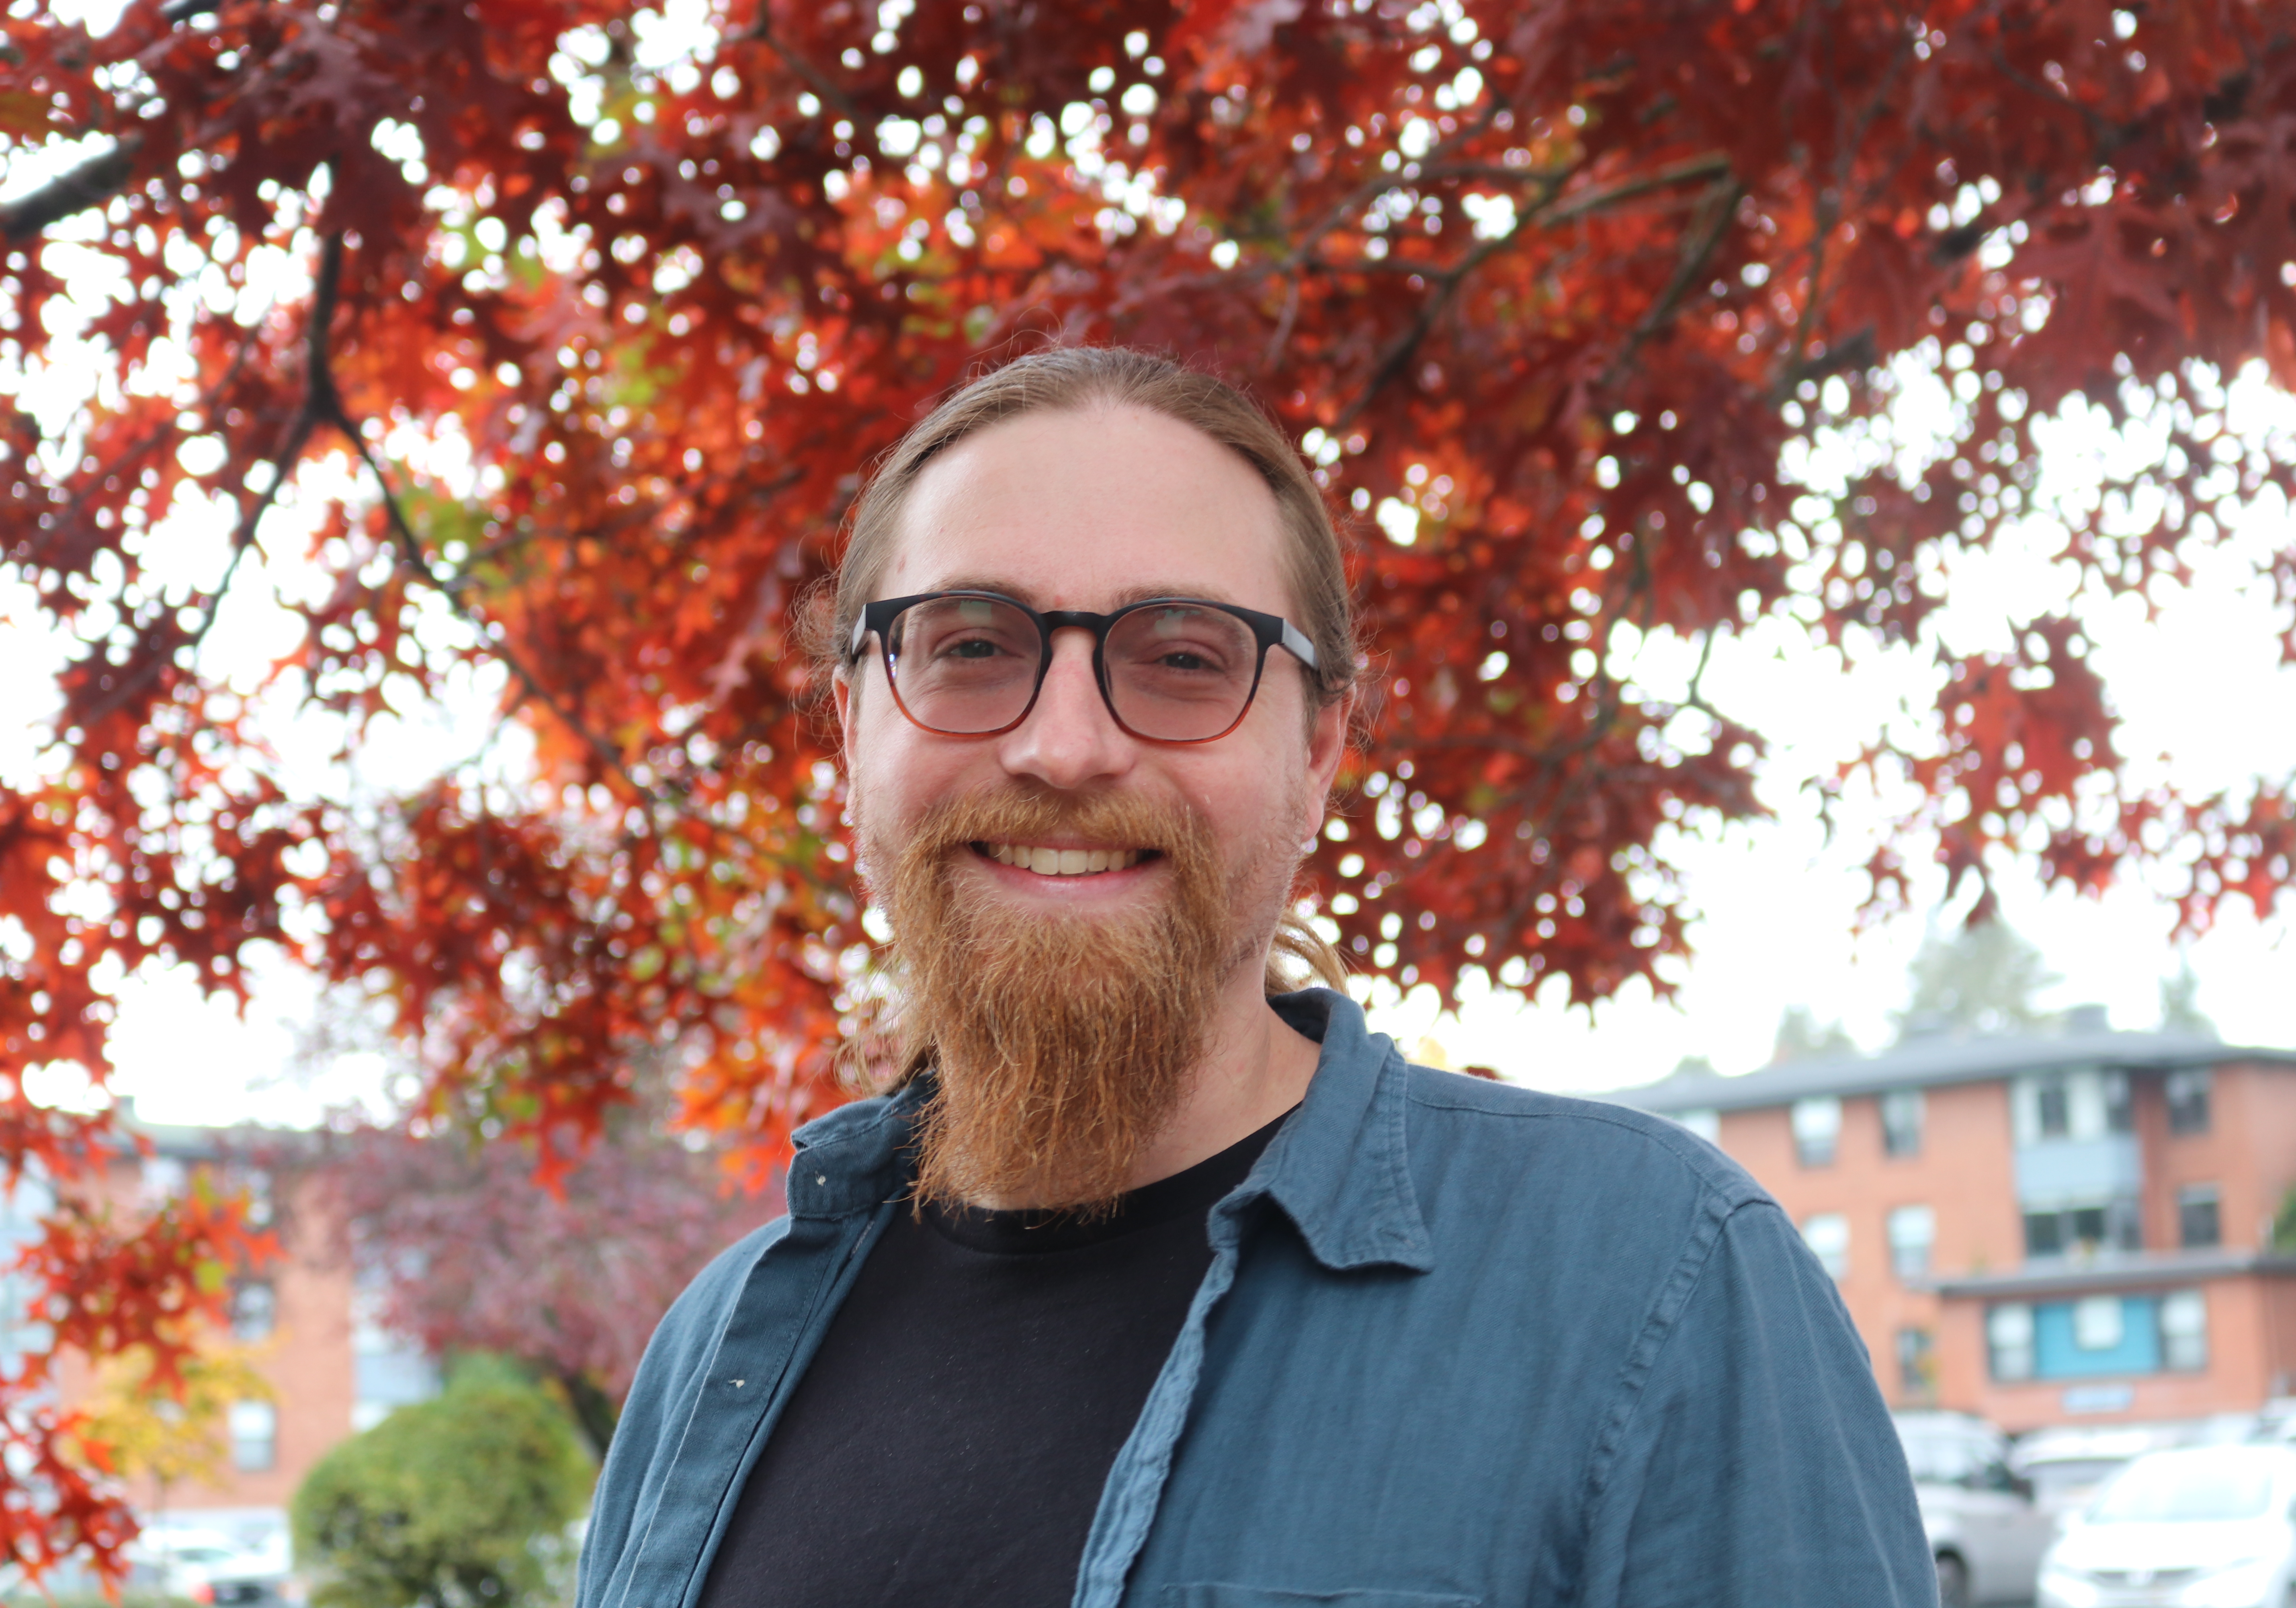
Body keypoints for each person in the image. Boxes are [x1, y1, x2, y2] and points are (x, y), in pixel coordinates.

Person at [575, 347, 1932, 1608]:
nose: (1063, 747)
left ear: (1322, 751)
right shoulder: (714, 1358)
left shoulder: (1653, 1280)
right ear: (854, 720)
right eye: (973, 644)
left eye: (1180, 660)